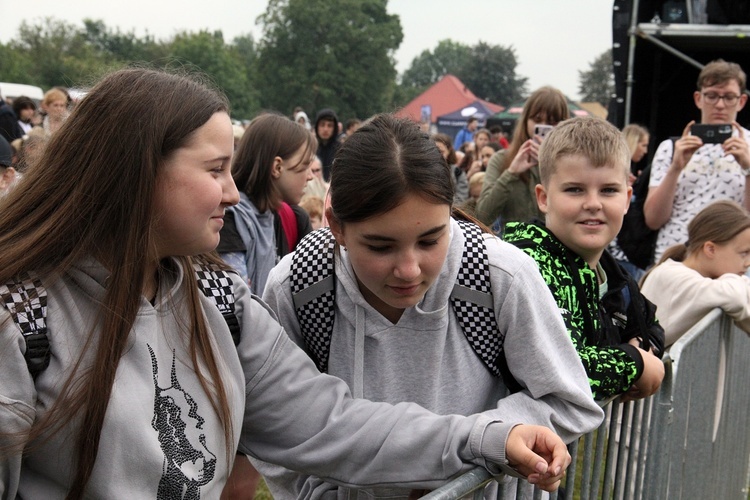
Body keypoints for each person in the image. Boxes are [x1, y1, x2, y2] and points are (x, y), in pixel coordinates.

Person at [0, 68, 576, 498]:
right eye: (215, 169)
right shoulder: (19, 321)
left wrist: (487, 439)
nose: (232, 191)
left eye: (429, 239)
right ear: (137, 171)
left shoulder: (220, 303)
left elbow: (332, 422)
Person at [255, 113, 605, 499]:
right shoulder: (300, 287)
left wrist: (490, 443)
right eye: (380, 246)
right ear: (336, 225)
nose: (409, 269)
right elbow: (274, 421)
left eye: (430, 240)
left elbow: (569, 400)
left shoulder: (499, 275)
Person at [503, 116, 665, 402]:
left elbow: (650, 326)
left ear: (627, 199)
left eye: (608, 190)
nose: (593, 203)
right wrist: (635, 364)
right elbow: (563, 368)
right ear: (543, 198)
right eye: (574, 189)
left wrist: (639, 349)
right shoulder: (531, 266)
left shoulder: (614, 274)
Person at [644, 59, 750, 262]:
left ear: (741, 101)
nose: (720, 104)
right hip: (677, 259)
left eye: (728, 97)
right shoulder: (671, 147)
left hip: (732, 263)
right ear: (698, 98)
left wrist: (748, 167)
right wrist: (675, 168)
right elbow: (653, 219)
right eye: (711, 96)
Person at [217, 113, 314, 295]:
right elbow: (236, 305)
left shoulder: (289, 217)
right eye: (304, 166)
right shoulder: (226, 220)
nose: (310, 176)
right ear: (277, 167)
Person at [641, 200, 750, 347]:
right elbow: (734, 297)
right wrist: (741, 282)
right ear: (710, 249)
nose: (748, 262)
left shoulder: (705, 280)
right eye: (744, 253)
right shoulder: (672, 276)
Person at [475, 86, 570, 234]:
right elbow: (482, 216)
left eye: (553, 121)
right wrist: (511, 173)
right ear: (525, 121)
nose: (544, 126)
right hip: (514, 252)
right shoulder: (501, 159)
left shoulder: (572, 163)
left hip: (558, 251)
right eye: (537, 119)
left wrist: (549, 166)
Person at [609, 124, 652, 280]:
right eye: (643, 145)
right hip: (621, 252)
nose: (645, 151)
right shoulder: (616, 171)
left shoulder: (630, 172)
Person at [433, 132, 469, 204]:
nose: (437, 155)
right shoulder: (422, 170)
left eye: (441, 152)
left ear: (449, 151)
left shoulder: (458, 173)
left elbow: (461, 199)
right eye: (434, 151)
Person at [314, 108, 341, 181]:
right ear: (317, 127)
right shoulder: (311, 148)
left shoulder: (340, 149)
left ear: (334, 128)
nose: (325, 129)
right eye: (322, 125)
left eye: (329, 126)